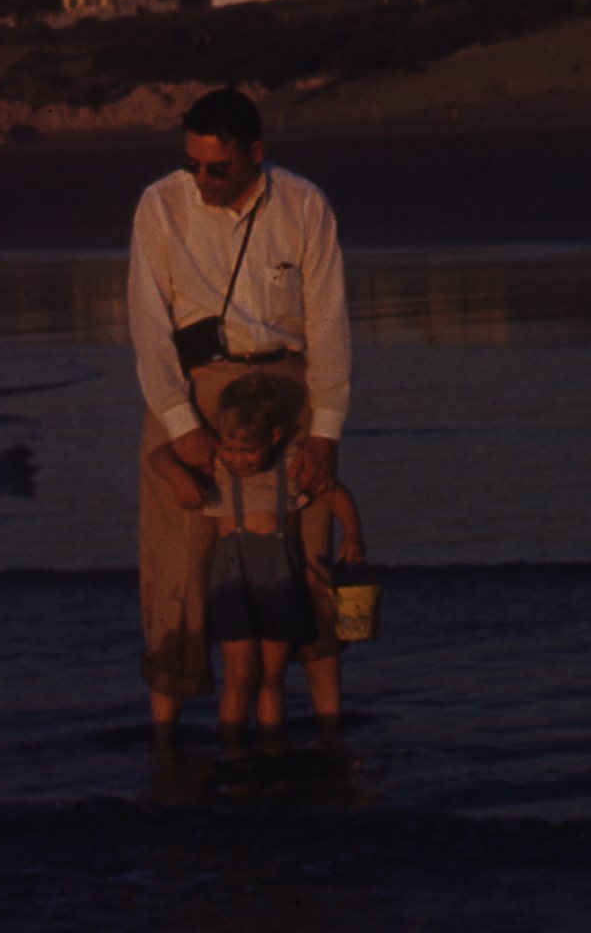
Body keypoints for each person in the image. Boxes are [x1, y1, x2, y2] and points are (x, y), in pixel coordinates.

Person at [127, 85, 353, 729]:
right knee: (179, 564)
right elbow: (148, 325)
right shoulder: (161, 204)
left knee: (309, 558)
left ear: (256, 153)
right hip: (195, 384)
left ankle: (331, 733)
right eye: (192, 164)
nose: (201, 180)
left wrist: (326, 431)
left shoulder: (303, 204)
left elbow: (329, 322)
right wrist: (180, 425)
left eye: (217, 168)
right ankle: (165, 738)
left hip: (286, 386)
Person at [146, 371, 367, 732]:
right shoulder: (215, 460)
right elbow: (158, 456)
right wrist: (177, 476)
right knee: (238, 676)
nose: (239, 459)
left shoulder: (293, 462)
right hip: (231, 584)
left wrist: (353, 534)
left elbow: (334, 493)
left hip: (280, 582)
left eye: (249, 451)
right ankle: (233, 750)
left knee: (272, 676)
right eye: (231, 448)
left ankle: (271, 747)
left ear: (274, 436)